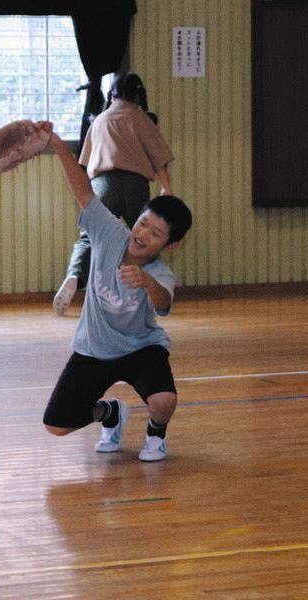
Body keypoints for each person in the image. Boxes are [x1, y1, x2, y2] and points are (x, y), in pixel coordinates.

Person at [41, 124, 192, 463]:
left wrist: (147, 283)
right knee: (57, 424)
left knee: (164, 401)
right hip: (94, 348)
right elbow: (83, 193)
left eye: (156, 234)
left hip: (141, 349)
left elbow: (164, 302)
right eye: (143, 223)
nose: (143, 234)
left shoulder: (160, 273)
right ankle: (110, 414)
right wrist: (56, 144)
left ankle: (156, 435)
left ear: (171, 244)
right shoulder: (110, 234)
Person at [53, 72, 175, 315]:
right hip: (135, 184)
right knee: (143, 239)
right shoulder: (140, 118)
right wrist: (166, 188)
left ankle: (74, 276)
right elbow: (159, 157)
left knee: (90, 237)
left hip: (102, 183)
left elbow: (84, 164)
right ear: (138, 95)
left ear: (112, 94)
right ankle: (145, 288)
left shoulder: (100, 120)